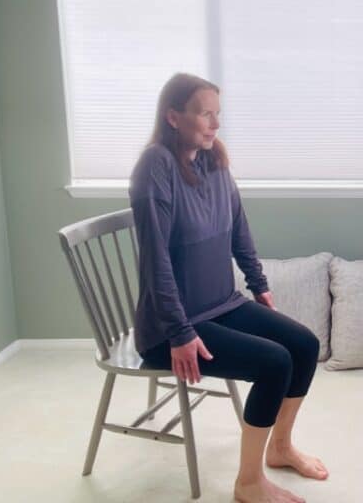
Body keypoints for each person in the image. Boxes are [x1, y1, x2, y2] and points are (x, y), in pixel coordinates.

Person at [129, 72, 328, 503]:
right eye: (205, 114)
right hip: (170, 328)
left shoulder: (213, 161)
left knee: (305, 345)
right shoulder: (155, 166)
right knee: (275, 363)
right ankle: (248, 483)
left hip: (221, 303)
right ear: (174, 117)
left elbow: (237, 227)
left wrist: (259, 286)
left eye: (218, 114)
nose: (215, 124)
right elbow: (155, 260)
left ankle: (280, 447)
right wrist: (180, 334)